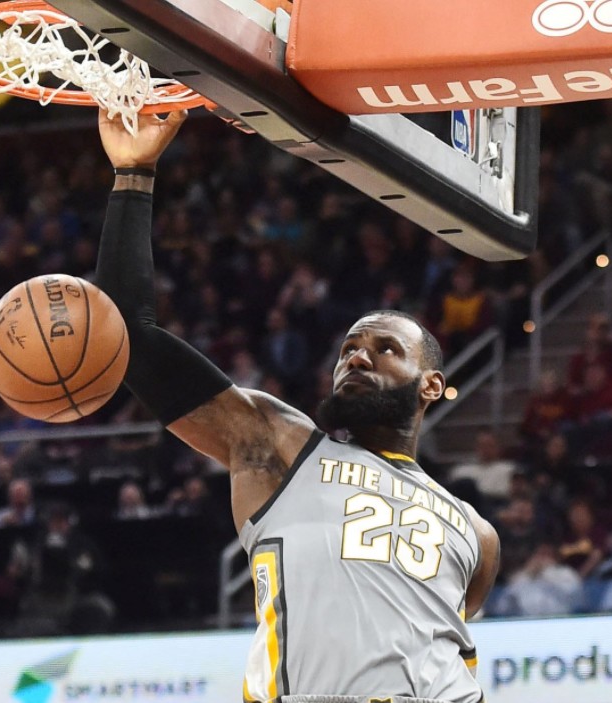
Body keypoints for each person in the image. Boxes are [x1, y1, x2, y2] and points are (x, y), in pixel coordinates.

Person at [93, 110, 499, 703]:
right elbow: (128, 336)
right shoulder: (282, 445)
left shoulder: (477, 533)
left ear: (431, 386)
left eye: (385, 349)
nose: (357, 358)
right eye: (349, 349)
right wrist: (134, 174)